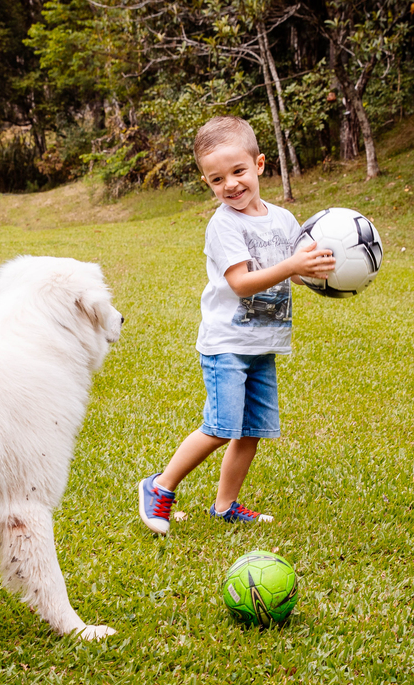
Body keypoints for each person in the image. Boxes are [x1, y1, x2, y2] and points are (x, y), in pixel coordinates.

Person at [137, 115, 335, 535]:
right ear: (207, 183)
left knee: (251, 432)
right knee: (221, 427)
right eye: (216, 179)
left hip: (263, 344)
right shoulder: (223, 224)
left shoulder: (283, 220)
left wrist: (315, 270)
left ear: (259, 165)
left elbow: (292, 273)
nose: (230, 185)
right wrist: (292, 265)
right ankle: (159, 486)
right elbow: (242, 283)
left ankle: (225, 505)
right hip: (226, 344)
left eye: (238, 172)